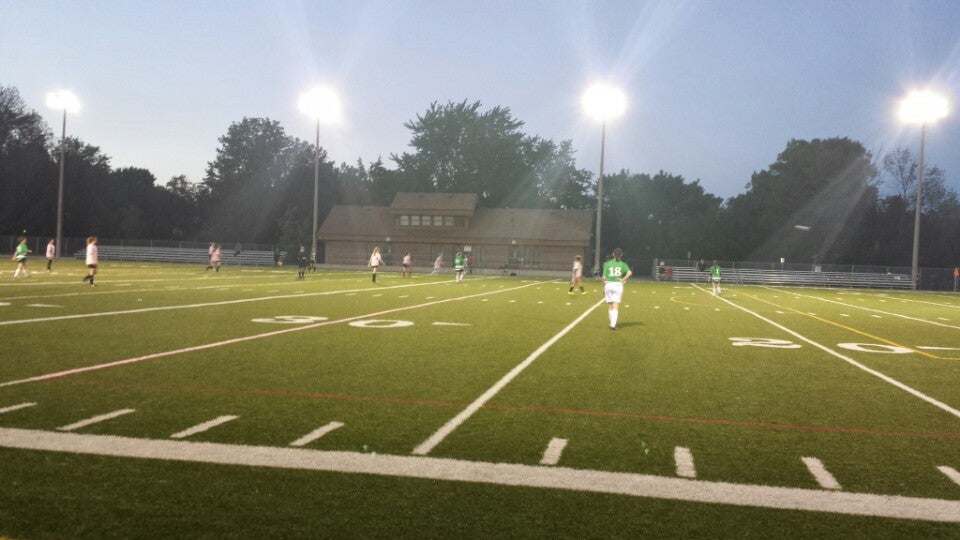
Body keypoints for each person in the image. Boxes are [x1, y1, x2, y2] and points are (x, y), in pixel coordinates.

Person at [602, 248, 632, 330]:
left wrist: (604, 287)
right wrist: (623, 279)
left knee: (610, 305)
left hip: (608, 284)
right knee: (616, 305)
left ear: (613, 254)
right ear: (621, 255)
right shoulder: (623, 264)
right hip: (617, 285)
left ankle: (611, 322)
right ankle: (613, 324)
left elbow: (603, 277)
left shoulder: (607, 263)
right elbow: (630, 273)